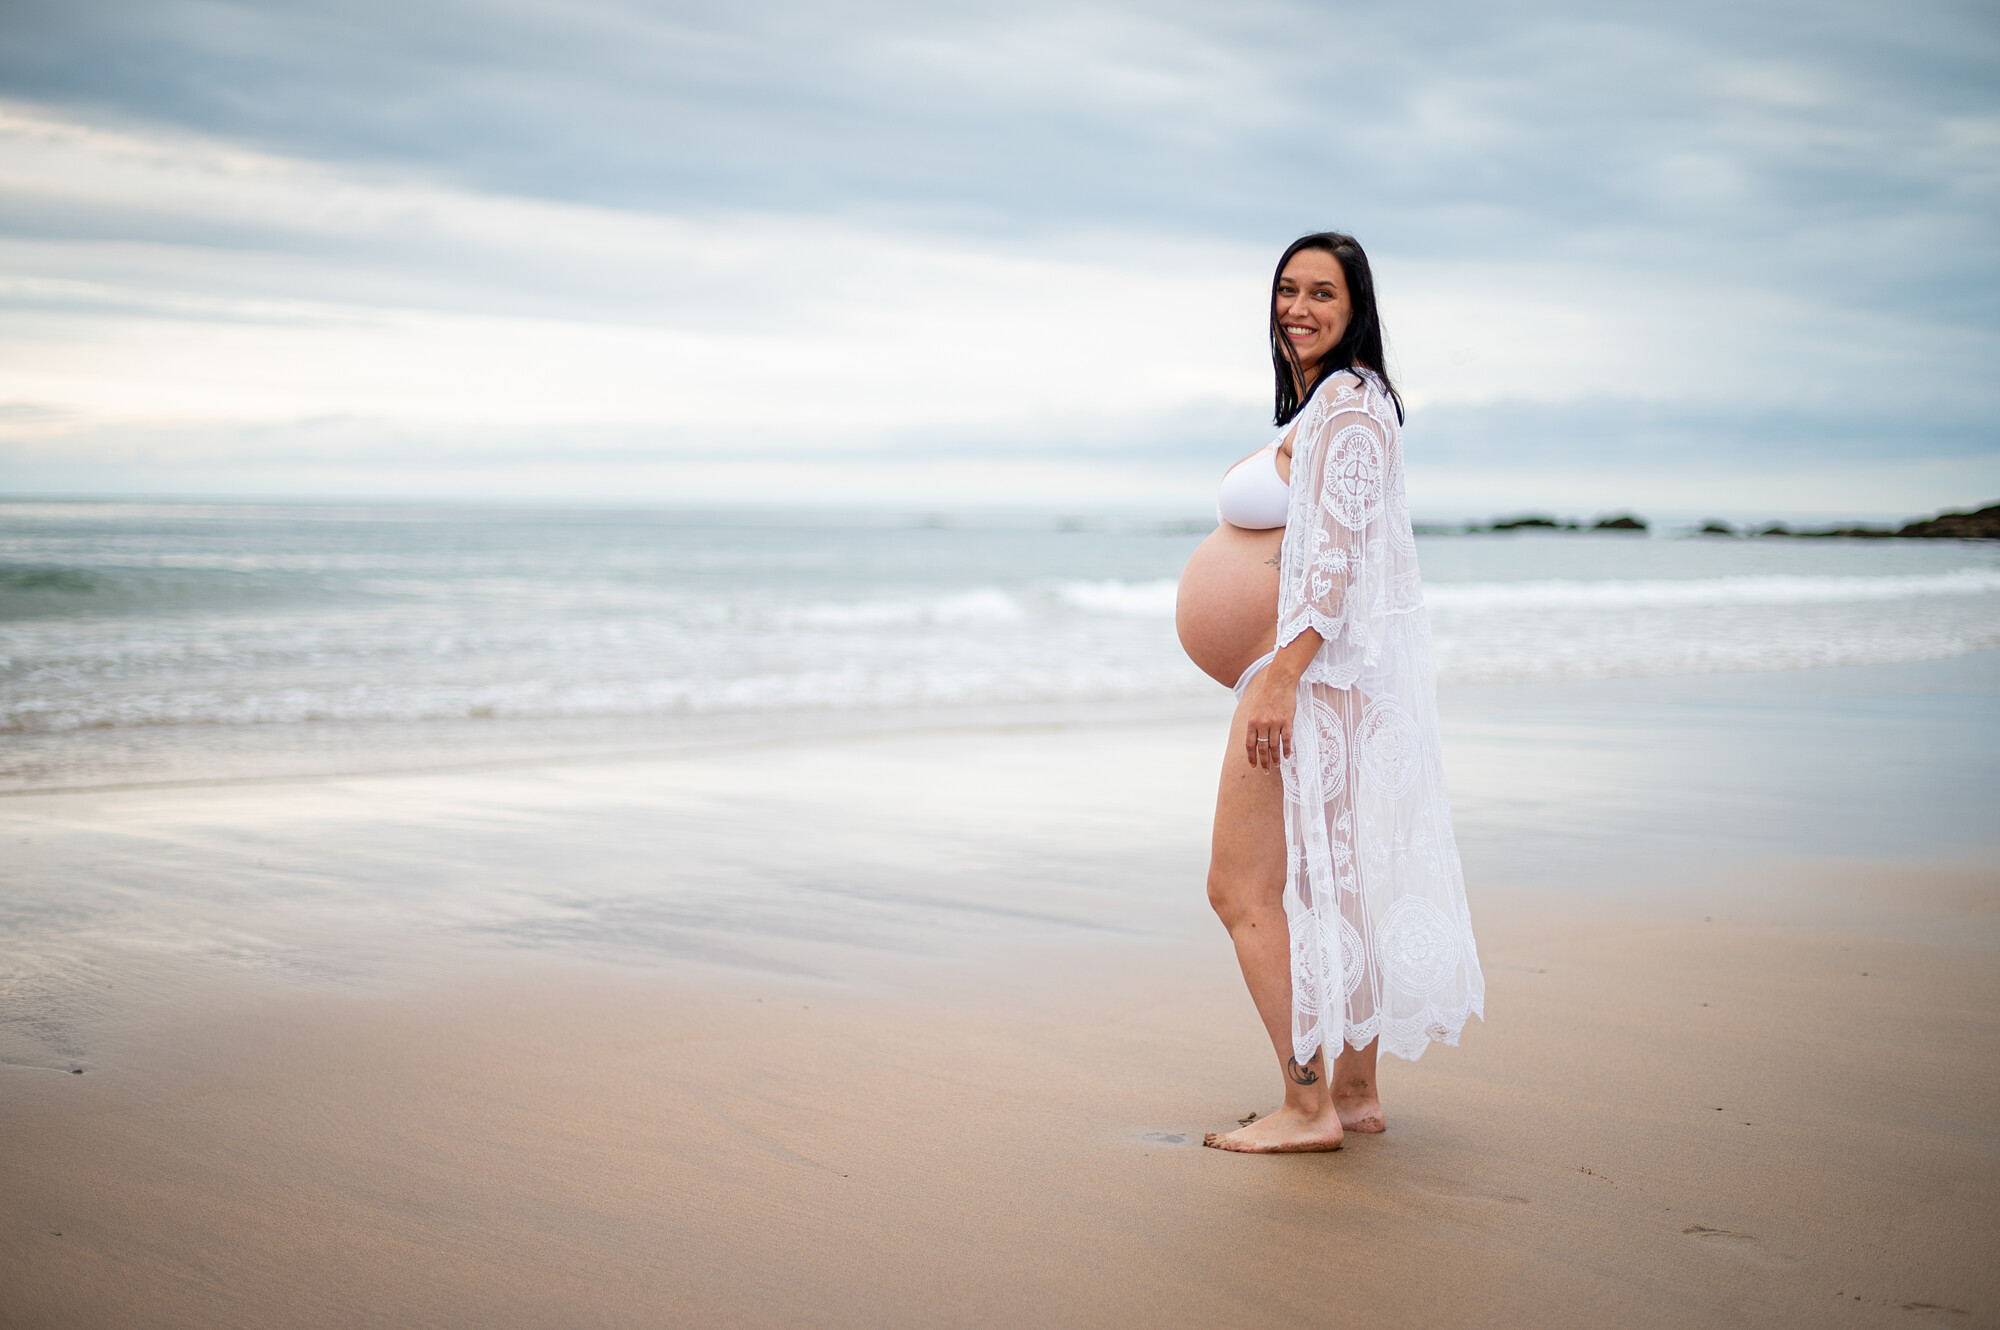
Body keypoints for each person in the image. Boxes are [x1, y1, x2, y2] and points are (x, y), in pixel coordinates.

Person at [1175, 232, 1484, 1153]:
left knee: (1241, 888)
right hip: (1314, 680)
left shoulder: (1347, 408)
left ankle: (1305, 1108)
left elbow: (1337, 562)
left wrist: (1279, 676)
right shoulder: (1335, 408)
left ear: (1356, 311)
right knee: (1328, 885)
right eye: (1286, 291)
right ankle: (1353, 1094)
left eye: (1321, 294)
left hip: (1305, 682)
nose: (1298, 308)